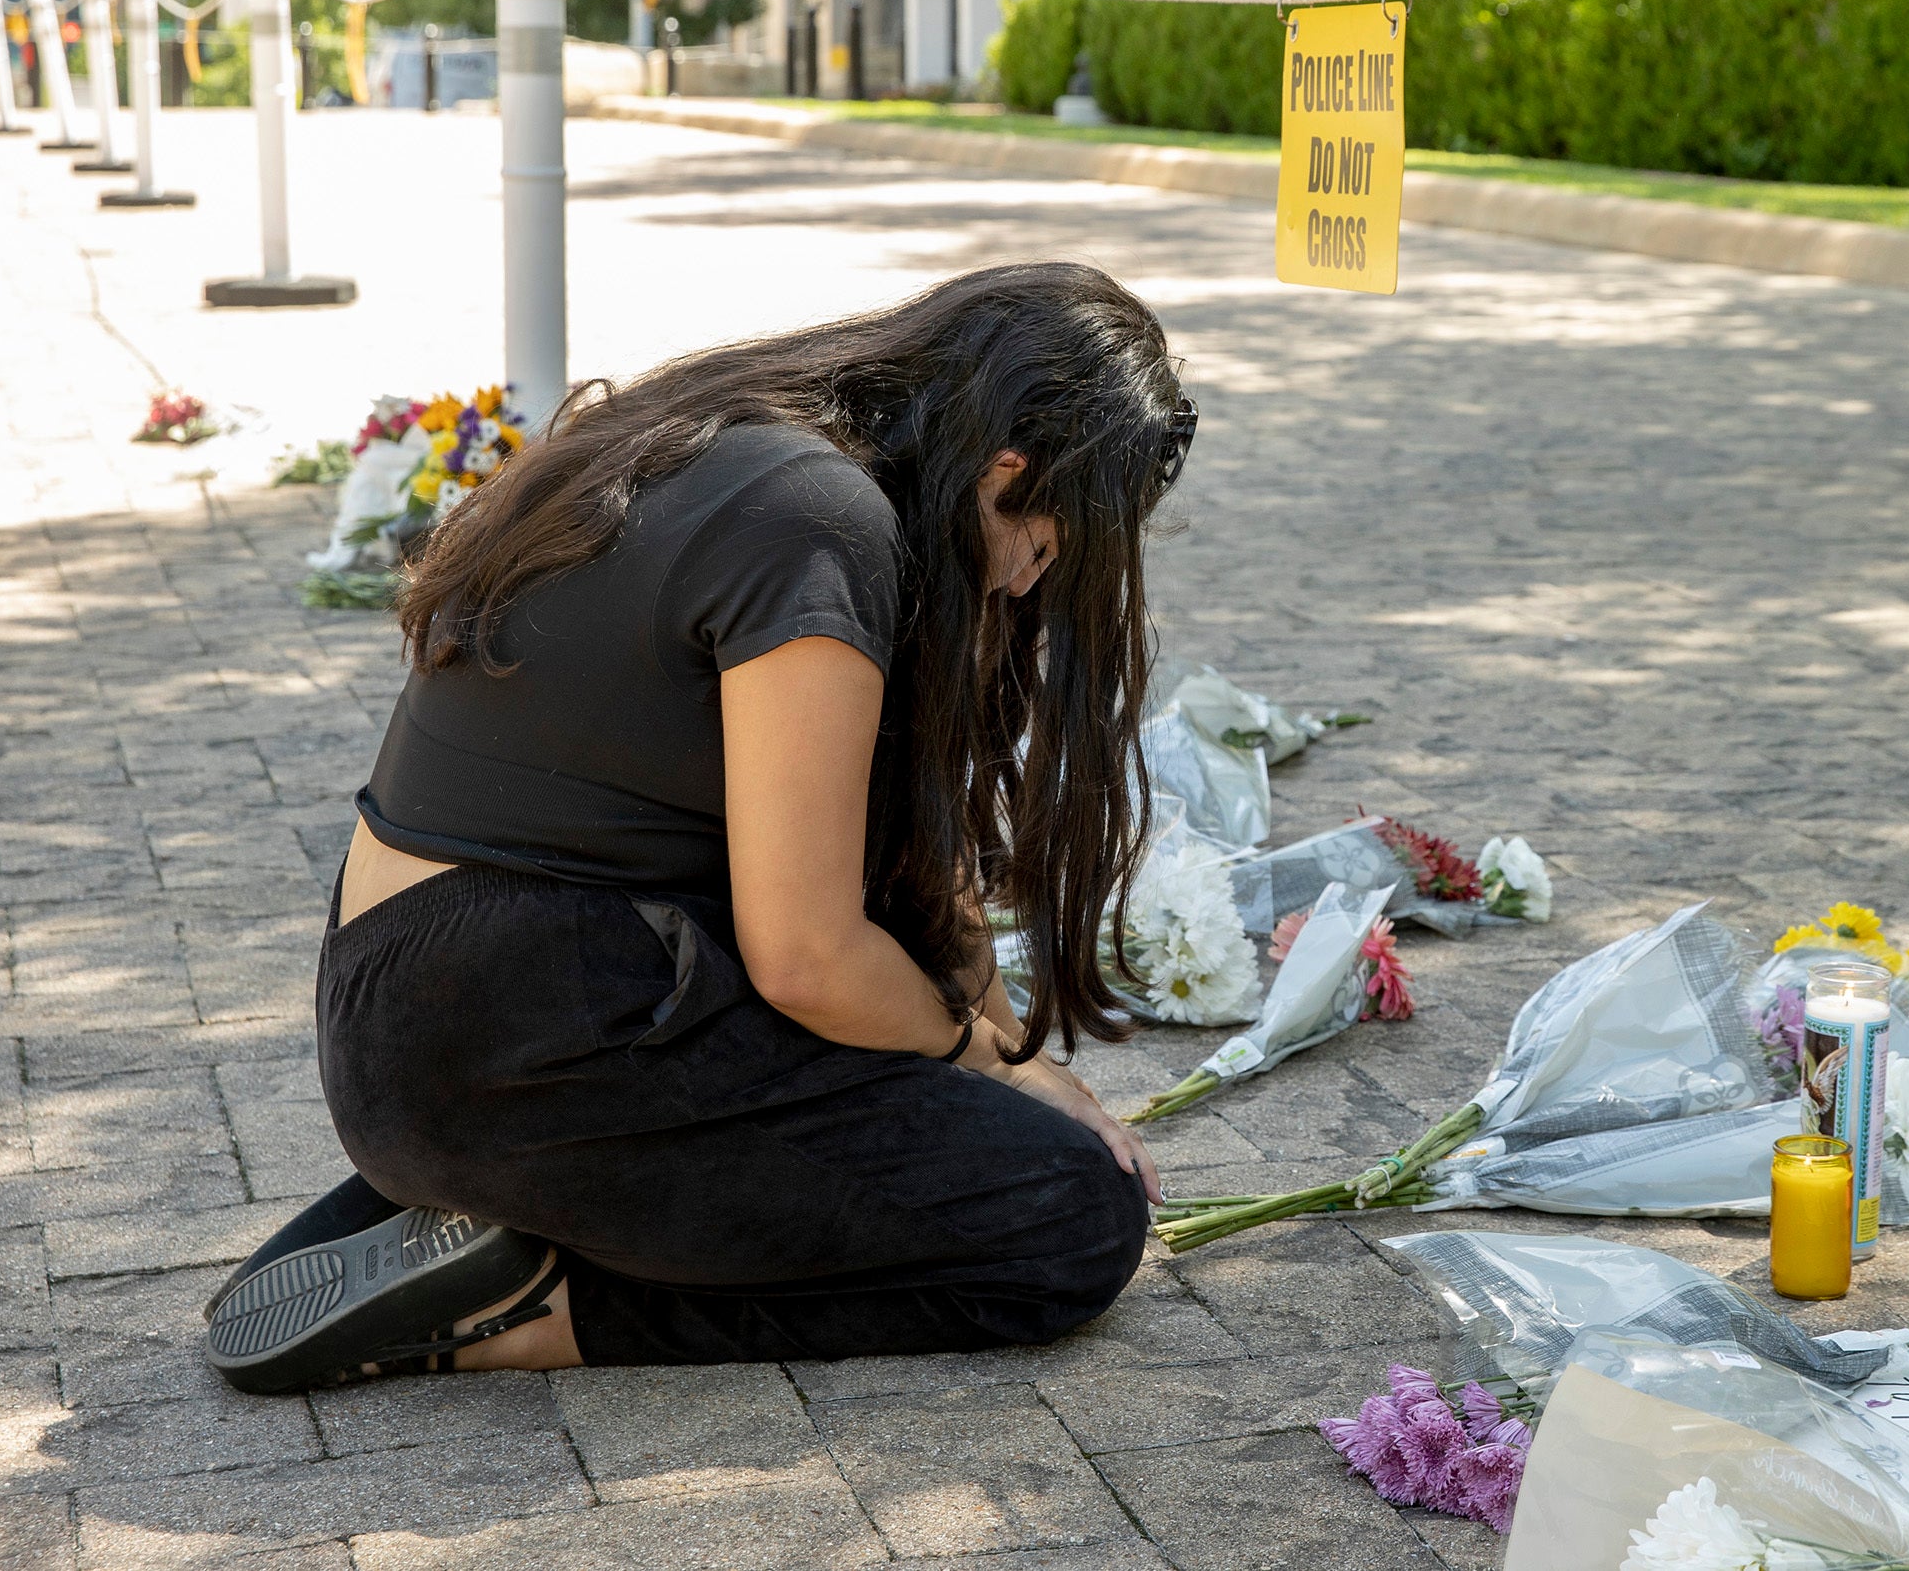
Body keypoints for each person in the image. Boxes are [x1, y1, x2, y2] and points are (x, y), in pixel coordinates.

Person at [203, 263, 1194, 1392]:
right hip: (527, 1025)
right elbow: (809, 955)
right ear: (1006, 471)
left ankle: (491, 1203)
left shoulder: (740, 440)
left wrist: (1014, 1057)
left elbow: (907, 861)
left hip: (420, 1017)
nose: (1028, 587)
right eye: (1047, 548)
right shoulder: (824, 528)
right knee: (1072, 1215)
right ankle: (544, 1304)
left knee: (956, 1094)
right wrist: (992, 1071)